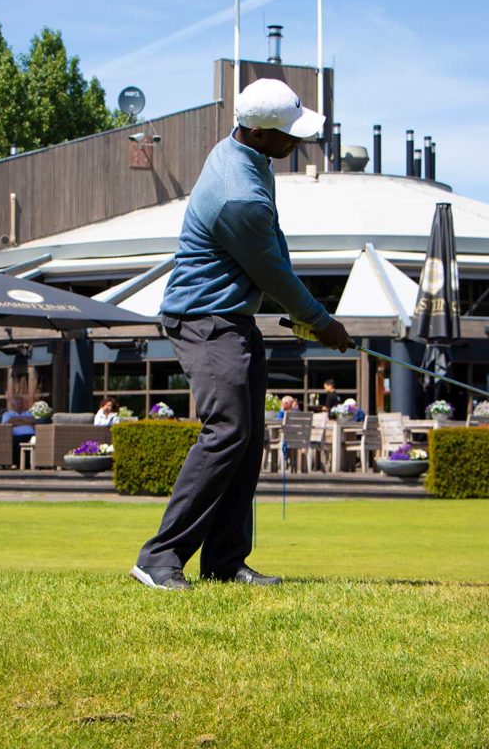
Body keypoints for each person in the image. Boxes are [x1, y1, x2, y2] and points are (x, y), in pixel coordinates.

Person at [131, 78, 352, 592]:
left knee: (247, 440)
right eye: (288, 135)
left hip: (232, 319)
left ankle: (226, 561)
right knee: (227, 430)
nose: (296, 143)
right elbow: (272, 270)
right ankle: (159, 557)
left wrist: (303, 314)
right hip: (203, 321)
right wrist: (322, 321)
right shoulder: (239, 194)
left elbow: (273, 246)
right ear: (256, 132)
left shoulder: (248, 157)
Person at [1, 395, 35, 462]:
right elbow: (7, 424)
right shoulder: (7, 414)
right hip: (16, 436)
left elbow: (33, 421)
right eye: (18, 404)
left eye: (22, 403)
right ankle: (19, 462)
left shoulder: (28, 413)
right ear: (13, 405)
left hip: (31, 436)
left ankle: (31, 462)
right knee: (15, 443)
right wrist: (26, 422)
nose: (20, 405)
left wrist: (17, 419)